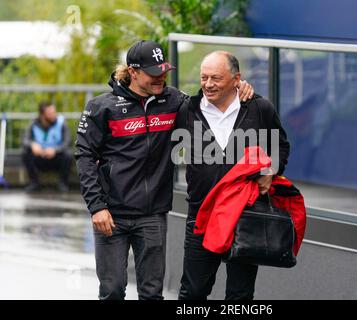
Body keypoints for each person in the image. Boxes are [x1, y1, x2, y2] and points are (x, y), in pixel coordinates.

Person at [75, 41, 253, 300]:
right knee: (112, 291)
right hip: (111, 213)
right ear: (133, 72)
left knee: (151, 294)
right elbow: (84, 156)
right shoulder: (101, 107)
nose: (161, 78)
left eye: (163, 72)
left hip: (153, 214)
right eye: (153, 73)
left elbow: (212, 102)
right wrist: (97, 207)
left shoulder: (175, 101)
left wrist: (241, 89)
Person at [175, 51, 290, 300]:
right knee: (192, 292)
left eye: (215, 78)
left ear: (237, 79)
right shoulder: (187, 110)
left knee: (240, 294)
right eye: (204, 77)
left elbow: (280, 145)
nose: (207, 84)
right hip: (201, 216)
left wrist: (271, 170)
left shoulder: (259, 108)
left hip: (245, 215)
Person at [22, 101, 72, 192]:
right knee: (25, 152)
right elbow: (25, 140)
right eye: (50, 113)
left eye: (54, 112)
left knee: (68, 154)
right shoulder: (33, 124)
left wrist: (55, 150)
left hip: (56, 157)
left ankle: (62, 183)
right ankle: (34, 182)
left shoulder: (61, 123)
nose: (54, 115)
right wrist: (32, 145)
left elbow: (67, 142)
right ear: (42, 115)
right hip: (40, 157)